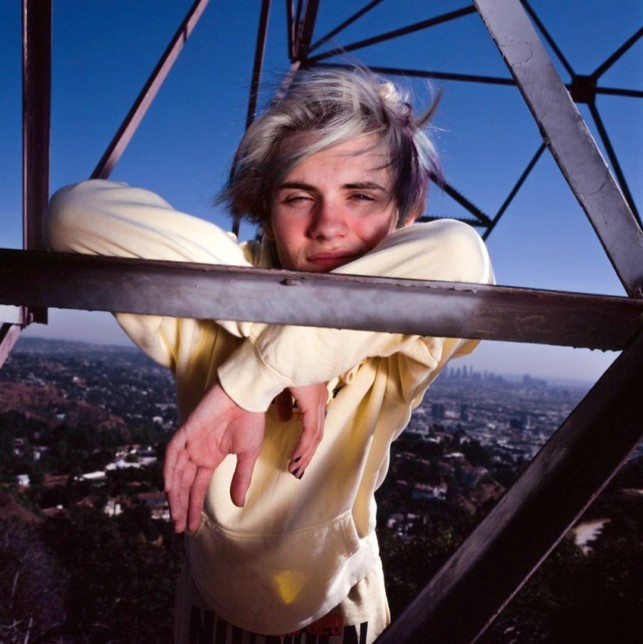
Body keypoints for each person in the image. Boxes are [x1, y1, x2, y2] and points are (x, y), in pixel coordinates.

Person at [46, 66, 494, 643]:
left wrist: (252, 380)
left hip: (341, 609)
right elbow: (75, 215)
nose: (328, 225)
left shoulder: (398, 335)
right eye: (298, 197)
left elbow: (459, 253)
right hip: (213, 610)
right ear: (265, 211)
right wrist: (282, 340)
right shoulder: (222, 293)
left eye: (361, 196)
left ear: (403, 216)